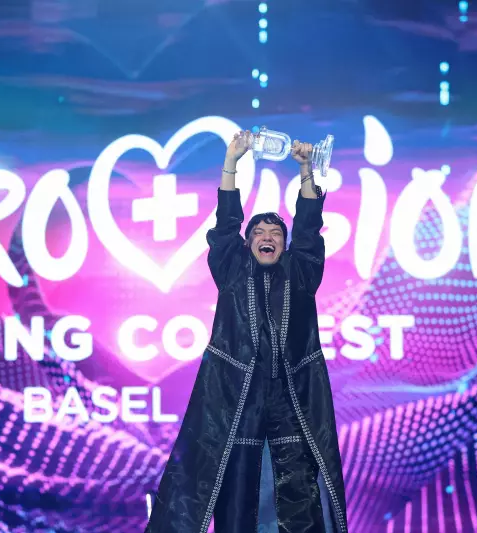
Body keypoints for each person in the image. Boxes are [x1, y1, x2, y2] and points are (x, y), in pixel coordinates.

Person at [146, 130, 347, 533]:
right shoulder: (233, 271)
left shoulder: (301, 273)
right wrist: (231, 163)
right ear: (248, 244)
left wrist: (306, 170)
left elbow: (309, 230)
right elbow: (225, 228)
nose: (267, 237)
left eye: (276, 234)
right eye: (259, 233)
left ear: (284, 245)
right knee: (238, 497)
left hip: (293, 402)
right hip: (237, 401)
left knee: (300, 499)